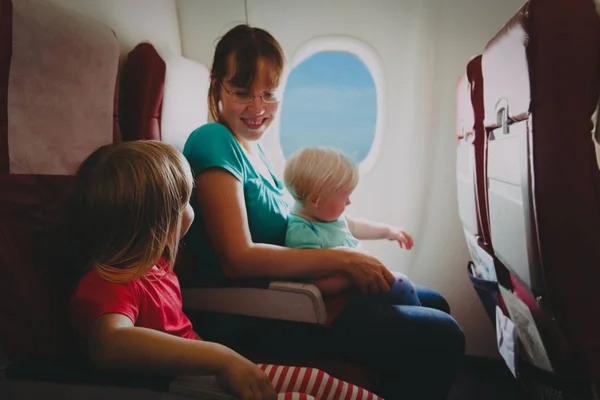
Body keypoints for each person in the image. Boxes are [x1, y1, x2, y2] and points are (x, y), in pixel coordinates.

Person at [182, 24, 465, 400]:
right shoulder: (212, 140)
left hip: (297, 293)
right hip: (260, 309)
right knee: (440, 333)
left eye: (269, 93)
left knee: (436, 304)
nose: (258, 108)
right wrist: (345, 261)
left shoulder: (256, 151)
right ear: (217, 86)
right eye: (241, 93)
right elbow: (237, 259)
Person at [67, 140, 383, 400]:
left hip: (199, 374)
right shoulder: (108, 281)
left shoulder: (158, 269)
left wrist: (219, 357)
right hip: (173, 385)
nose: (192, 210)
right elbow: (108, 344)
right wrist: (221, 358)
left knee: (320, 381)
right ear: (158, 224)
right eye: (185, 203)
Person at [283, 146, 420, 305]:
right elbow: (314, 283)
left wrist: (389, 232)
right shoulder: (302, 233)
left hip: (357, 284)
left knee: (424, 295)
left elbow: (354, 226)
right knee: (402, 283)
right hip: (345, 297)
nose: (349, 202)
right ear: (315, 200)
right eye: (344, 197)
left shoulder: (325, 216)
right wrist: (351, 278)